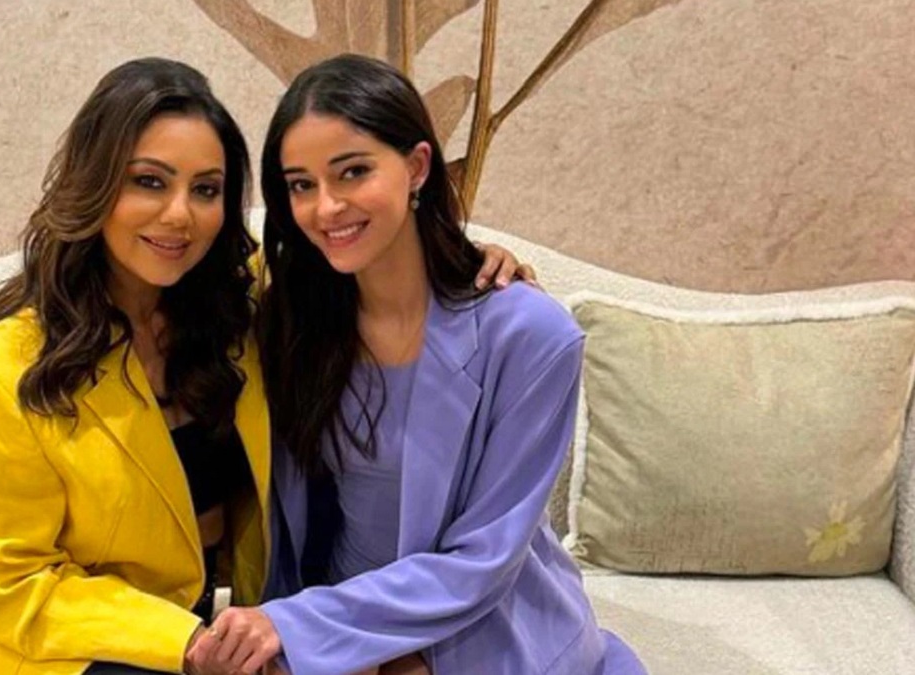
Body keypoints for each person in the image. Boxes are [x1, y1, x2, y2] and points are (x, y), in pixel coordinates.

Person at [0, 57, 525, 675]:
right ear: (95, 185)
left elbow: (365, 259)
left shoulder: (240, 304)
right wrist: (187, 642)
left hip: (202, 630)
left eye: (206, 189)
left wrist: (467, 266)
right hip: (49, 649)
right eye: (149, 182)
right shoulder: (3, 373)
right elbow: (8, 584)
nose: (180, 214)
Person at [196, 54, 646, 675]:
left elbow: (483, 561)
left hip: (483, 625)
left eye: (353, 172)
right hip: (338, 620)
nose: (326, 208)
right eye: (301, 185)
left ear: (416, 167)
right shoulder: (291, 321)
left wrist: (298, 625)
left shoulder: (530, 336)